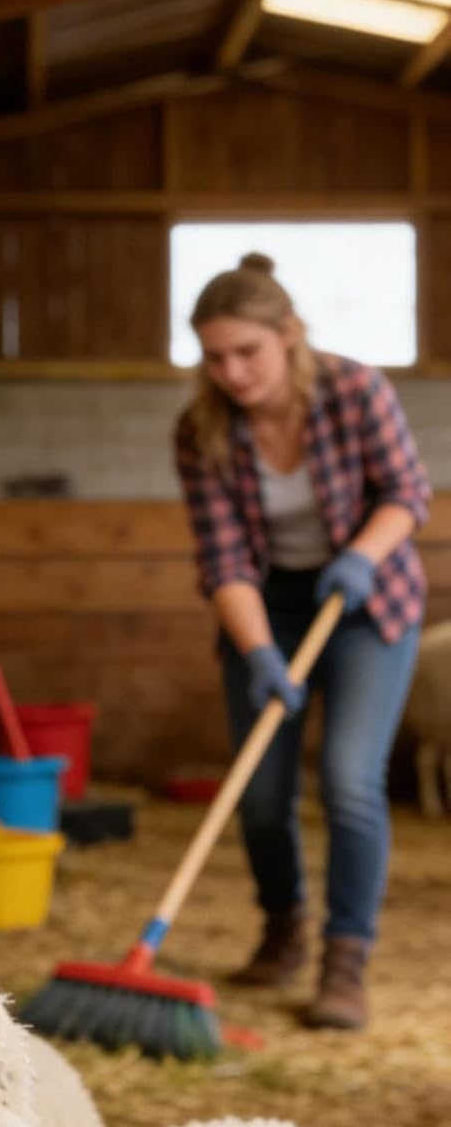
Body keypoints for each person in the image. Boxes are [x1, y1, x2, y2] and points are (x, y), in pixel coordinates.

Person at [174, 252, 431, 1030]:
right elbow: (224, 560)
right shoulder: (201, 430)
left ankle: (344, 961)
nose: (232, 372)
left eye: (247, 351)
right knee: (259, 793)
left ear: (288, 334)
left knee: (350, 780)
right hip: (267, 607)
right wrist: (258, 652)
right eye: (215, 357)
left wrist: (360, 557)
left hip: (367, 596)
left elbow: (406, 491)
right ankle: (283, 927)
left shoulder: (356, 390)